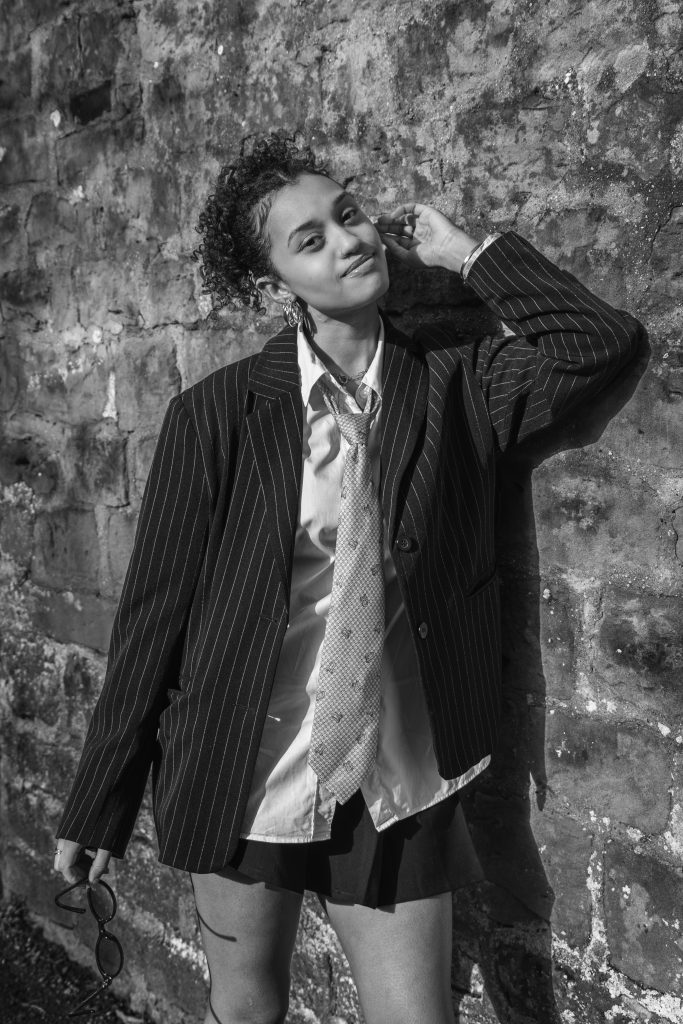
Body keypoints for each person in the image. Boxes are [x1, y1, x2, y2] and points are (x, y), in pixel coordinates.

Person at [53, 131, 642, 1024]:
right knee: (245, 1010)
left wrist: (470, 255)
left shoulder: (456, 382)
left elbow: (599, 342)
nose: (348, 240)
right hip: (242, 768)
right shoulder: (216, 414)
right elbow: (153, 617)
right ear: (273, 285)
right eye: (310, 239)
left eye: (349, 213)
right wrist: (99, 802)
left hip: (395, 779)